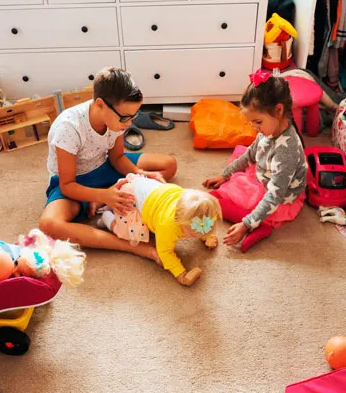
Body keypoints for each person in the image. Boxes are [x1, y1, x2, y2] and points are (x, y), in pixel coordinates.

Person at [39, 67, 177, 262]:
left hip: (104, 165)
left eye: (133, 116)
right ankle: (130, 245)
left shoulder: (116, 120)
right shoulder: (68, 128)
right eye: (124, 117)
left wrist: (139, 175)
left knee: (169, 164)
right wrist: (103, 194)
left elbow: (118, 157)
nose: (129, 124)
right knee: (49, 224)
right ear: (100, 104)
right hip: (74, 181)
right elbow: (67, 185)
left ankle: (105, 198)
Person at [203, 70, 307, 251]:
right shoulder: (269, 131)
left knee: (217, 201)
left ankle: (260, 224)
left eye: (258, 122)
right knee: (225, 186)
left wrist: (245, 224)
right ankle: (256, 222)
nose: (255, 128)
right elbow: (250, 155)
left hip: (278, 195)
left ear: (279, 110)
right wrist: (225, 175)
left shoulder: (286, 151)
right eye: (252, 123)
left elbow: (275, 196)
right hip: (265, 175)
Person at [99, 174, 221, 286]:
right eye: (193, 233)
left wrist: (208, 236)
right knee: (129, 233)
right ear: (178, 220)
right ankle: (107, 217)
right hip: (131, 197)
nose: (198, 234)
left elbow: (206, 220)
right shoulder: (167, 225)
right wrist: (180, 273)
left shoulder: (203, 212)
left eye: (205, 230)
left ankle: (113, 203)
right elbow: (165, 252)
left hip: (150, 189)